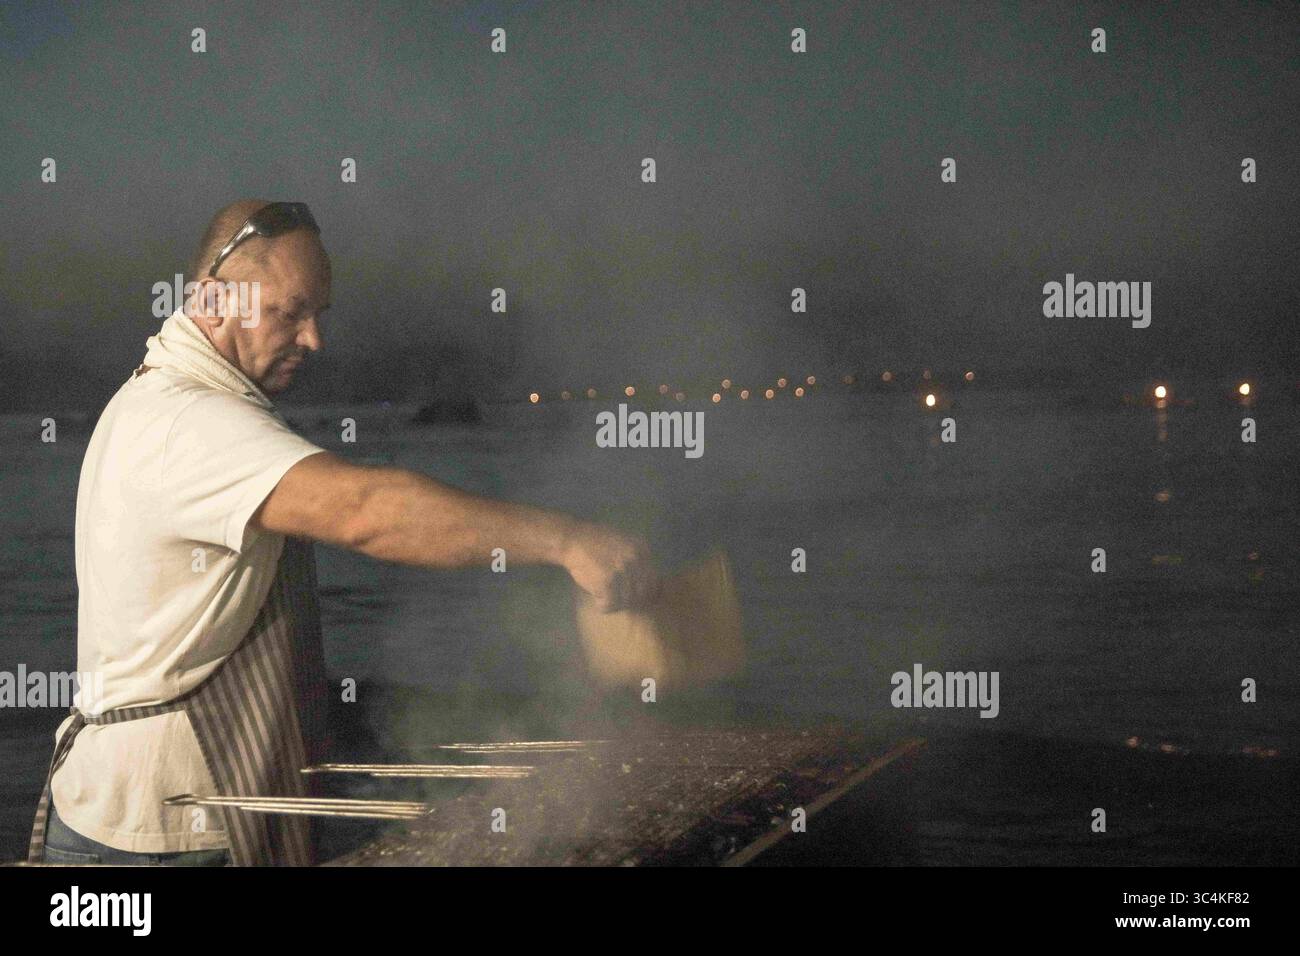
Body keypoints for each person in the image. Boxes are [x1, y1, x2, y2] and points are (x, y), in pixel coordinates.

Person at [28, 199, 657, 866]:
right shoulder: (187, 423)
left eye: (318, 315)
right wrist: (567, 542)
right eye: (290, 312)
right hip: (159, 836)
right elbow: (365, 511)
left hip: (146, 814)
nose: (313, 340)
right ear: (213, 301)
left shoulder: (163, 400)